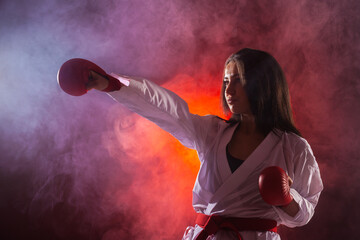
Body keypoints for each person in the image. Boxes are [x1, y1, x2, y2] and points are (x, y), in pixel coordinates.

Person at [66, 48, 324, 240]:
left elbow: (306, 212)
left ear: (265, 85)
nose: (229, 90)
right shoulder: (212, 132)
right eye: (226, 81)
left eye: (238, 80)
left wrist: (288, 198)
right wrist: (112, 85)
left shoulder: (293, 147)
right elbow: (168, 110)